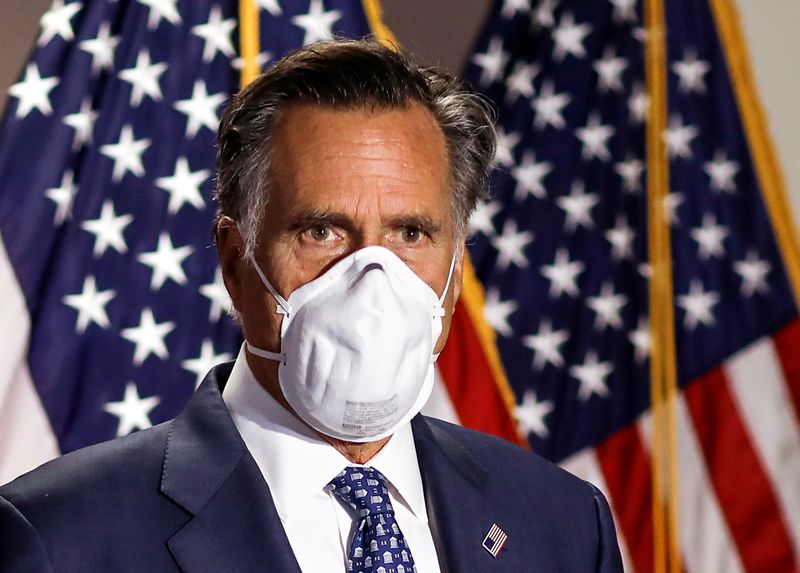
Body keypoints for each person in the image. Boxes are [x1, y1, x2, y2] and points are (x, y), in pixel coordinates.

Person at [0, 39, 623, 572]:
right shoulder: (62, 538)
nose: (372, 277)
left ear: (455, 274)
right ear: (235, 261)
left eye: (411, 234)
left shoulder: (563, 528)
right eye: (322, 231)